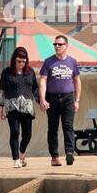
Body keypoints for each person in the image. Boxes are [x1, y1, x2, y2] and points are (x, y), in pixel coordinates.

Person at [38, 35, 80, 166]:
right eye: (55, 44)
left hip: (68, 97)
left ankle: (69, 152)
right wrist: (42, 99)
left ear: (66, 46)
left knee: (68, 126)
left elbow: (77, 80)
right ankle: (54, 156)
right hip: (52, 98)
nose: (57, 46)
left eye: (60, 44)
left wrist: (77, 100)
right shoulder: (48, 61)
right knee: (53, 128)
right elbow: (43, 80)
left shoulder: (72, 61)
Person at [0, 46, 40, 168]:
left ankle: (21, 153)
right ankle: (16, 159)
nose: (21, 63)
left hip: (27, 107)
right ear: (14, 60)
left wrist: (41, 102)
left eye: (23, 61)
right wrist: (0, 108)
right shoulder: (7, 72)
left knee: (27, 134)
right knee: (14, 132)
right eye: (19, 61)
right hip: (12, 106)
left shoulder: (30, 72)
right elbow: (2, 90)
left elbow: (35, 88)